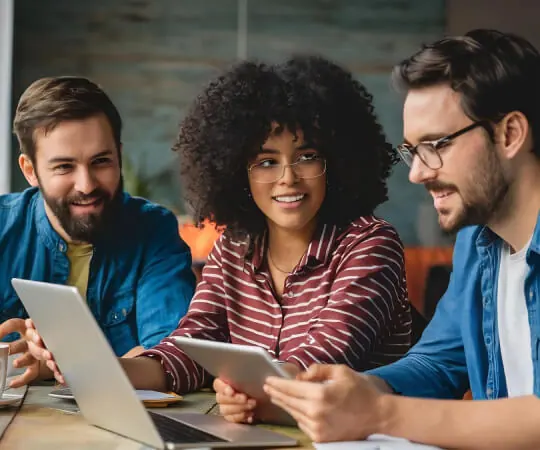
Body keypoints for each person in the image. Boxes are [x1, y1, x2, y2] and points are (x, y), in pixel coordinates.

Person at [19, 56, 411, 424]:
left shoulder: (370, 245)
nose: (288, 177)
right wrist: (96, 367)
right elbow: (190, 347)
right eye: (266, 161)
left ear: (337, 162)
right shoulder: (234, 248)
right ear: (237, 171)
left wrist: (252, 390)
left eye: (307, 156)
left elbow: (325, 358)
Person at [263, 29, 540, 449]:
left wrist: (381, 413)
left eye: (436, 145)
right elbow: (437, 364)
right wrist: (355, 389)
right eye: (413, 151)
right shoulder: (478, 244)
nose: (417, 173)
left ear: (510, 134)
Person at [0, 76, 195, 383]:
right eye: (64, 166)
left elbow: (171, 354)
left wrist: (67, 367)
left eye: (101, 161)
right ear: (30, 170)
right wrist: (21, 360)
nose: (87, 185)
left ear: (118, 155)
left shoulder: (153, 230)